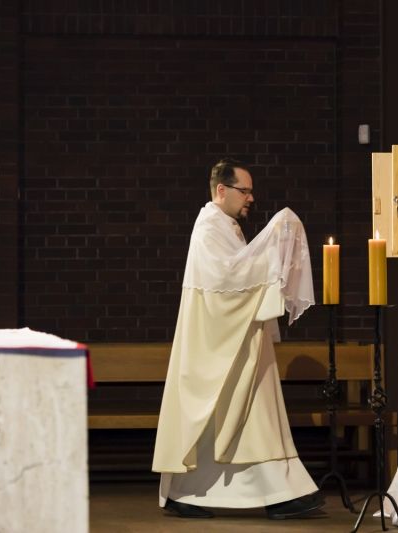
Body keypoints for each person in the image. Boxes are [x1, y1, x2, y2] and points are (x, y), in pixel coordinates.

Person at [152, 158, 323, 520]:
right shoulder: (209, 228)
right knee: (248, 413)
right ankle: (275, 493)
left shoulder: (225, 227)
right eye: (244, 191)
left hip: (236, 338)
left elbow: (239, 272)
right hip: (216, 343)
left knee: (251, 413)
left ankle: (201, 492)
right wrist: (275, 240)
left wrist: (269, 253)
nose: (251, 198)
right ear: (221, 190)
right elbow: (227, 281)